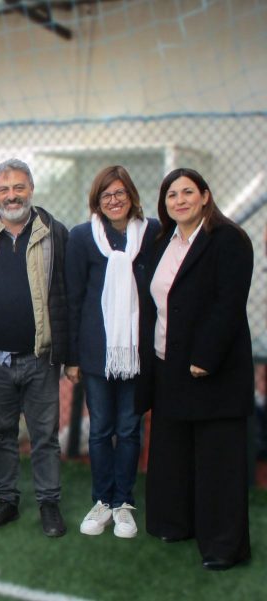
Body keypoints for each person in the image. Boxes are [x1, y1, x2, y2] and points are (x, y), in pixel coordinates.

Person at [136, 168, 253, 571]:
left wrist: (205, 357)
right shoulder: (161, 242)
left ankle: (223, 546)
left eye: (188, 192)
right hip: (166, 364)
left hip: (210, 368)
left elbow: (228, 304)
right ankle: (175, 523)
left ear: (205, 196)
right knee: (173, 451)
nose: (180, 200)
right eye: (172, 194)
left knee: (218, 458)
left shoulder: (229, 239)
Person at [0, 158, 69, 538]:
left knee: (44, 437)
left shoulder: (55, 232)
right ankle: (6, 500)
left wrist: (67, 354)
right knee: (2, 435)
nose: (12, 196)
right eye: (4, 189)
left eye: (19, 187)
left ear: (31, 189)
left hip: (40, 358)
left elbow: (64, 295)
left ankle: (49, 504)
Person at [64, 166, 159, 539]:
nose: (114, 200)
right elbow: (73, 299)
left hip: (136, 351)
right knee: (101, 429)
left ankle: (123, 503)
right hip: (96, 352)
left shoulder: (152, 233)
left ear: (132, 196)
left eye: (120, 193)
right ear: (97, 201)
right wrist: (72, 357)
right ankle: (102, 500)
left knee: (130, 428)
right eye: (106, 195)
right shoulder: (82, 237)